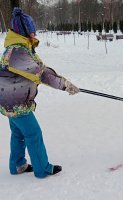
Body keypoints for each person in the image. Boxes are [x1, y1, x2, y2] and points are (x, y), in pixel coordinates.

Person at [0, 7, 80, 178]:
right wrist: (64, 85)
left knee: (18, 133)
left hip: (10, 100)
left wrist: (63, 82)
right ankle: (42, 168)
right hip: (15, 102)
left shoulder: (17, 48)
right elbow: (40, 73)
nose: (34, 34)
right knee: (33, 133)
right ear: (24, 31)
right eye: (32, 30)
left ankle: (17, 165)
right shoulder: (17, 52)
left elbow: (38, 69)